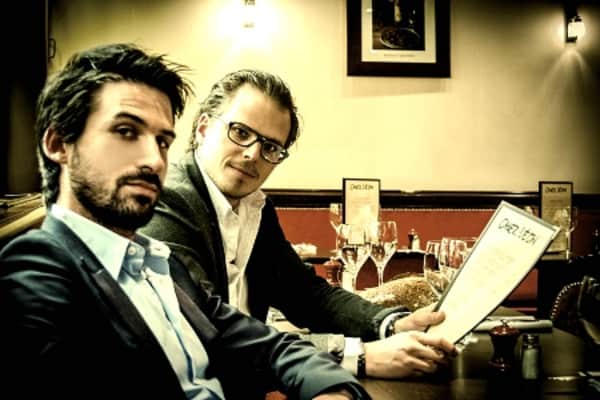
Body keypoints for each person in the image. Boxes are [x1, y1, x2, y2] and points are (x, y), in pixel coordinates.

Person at [0, 43, 370, 400]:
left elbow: (260, 342)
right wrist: (358, 358)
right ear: (59, 144)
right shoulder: (36, 268)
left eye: (162, 141)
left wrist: (332, 386)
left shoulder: (156, 260)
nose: (154, 160)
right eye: (126, 132)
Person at [140, 68, 457, 379]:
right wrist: (358, 356)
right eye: (241, 132)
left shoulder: (255, 207)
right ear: (203, 129)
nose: (253, 154)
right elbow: (209, 327)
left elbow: (307, 295)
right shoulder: (168, 200)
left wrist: (390, 324)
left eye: (270, 147)